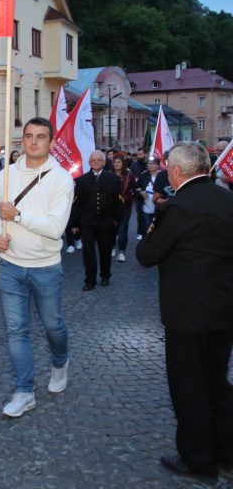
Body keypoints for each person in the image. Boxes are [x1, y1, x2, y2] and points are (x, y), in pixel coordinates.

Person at [136, 142, 233, 482]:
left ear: (176, 172)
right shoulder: (227, 199)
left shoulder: (177, 207)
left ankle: (198, 460)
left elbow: (147, 255)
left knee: (188, 385)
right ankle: (226, 452)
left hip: (187, 313)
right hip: (224, 309)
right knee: (216, 381)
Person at [0, 117, 73, 417]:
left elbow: (55, 228)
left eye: (41, 136)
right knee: (16, 331)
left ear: (51, 141)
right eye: (28, 136)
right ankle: (24, 392)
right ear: (22, 139)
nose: (33, 141)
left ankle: (60, 362)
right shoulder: (6, 175)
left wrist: (18, 215)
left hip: (45, 266)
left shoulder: (61, 178)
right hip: (10, 266)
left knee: (53, 325)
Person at [70, 150, 122, 291]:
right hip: (87, 222)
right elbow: (77, 204)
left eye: (99, 160)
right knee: (88, 251)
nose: (96, 162)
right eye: (93, 160)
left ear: (104, 162)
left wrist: (116, 219)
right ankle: (90, 280)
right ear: (89, 163)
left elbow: (118, 202)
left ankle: (105, 275)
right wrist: (74, 223)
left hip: (106, 221)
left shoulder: (113, 179)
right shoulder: (81, 180)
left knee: (105, 250)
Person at [112, 153, 135, 262]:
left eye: (119, 162)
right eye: (115, 162)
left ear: (123, 163)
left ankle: (122, 252)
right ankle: (112, 247)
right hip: (111, 208)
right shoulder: (109, 174)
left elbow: (135, 187)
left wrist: (138, 192)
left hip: (125, 207)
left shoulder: (129, 175)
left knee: (122, 229)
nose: (116, 164)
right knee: (111, 229)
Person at [134, 155, 160, 237]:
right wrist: (141, 193)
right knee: (147, 231)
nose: (150, 165)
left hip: (159, 209)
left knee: (157, 231)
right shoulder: (143, 176)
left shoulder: (163, 176)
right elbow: (135, 189)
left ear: (158, 165)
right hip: (145, 209)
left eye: (153, 163)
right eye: (149, 163)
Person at [130, 147, 148, 240]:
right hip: (139, 192)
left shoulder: (150, 163)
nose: (138, 156)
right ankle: (140, 232)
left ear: (145, 154)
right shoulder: (134, 165)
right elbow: (131, 177)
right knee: (140, 212)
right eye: (138, 154)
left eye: (140, 154)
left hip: (150, 192)